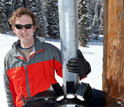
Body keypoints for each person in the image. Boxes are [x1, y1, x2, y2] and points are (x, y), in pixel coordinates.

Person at [4, 8, 91, 107]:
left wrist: (83, 69)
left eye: (28, 26)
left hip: (48, 104)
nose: (24, 30)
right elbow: (9, 91)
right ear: (14, 29)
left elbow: (70, 73)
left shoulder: (49, 51)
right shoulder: (9, 58)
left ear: (33, 28)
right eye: (19, 26)